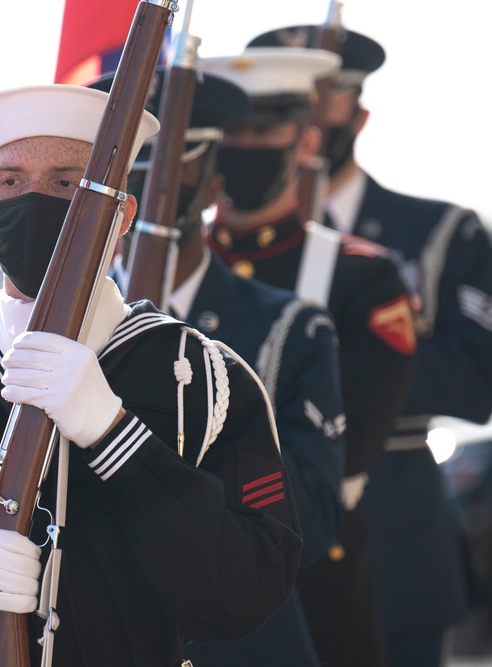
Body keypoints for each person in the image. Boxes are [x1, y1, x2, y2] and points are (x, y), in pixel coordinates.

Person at [0, 84, 303, 667]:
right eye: (11, 182)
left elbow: (248, 591)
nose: (32, 201)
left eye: (67, 184)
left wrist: (116, 437)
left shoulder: (206, 383)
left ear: (122, 214)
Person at [248, 24, 492, 666]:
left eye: (321, 101)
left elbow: (477, 379)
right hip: (263, 532)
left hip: (396, 537)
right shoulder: (225, 251)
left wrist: (336, 360)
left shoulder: (440, 232)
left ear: (357, 113)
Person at [92, 66, 346, 666]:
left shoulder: (291, 330)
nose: (148, 191)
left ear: (210, 187)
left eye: (169, 168)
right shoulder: (58, 329)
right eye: (134, 172)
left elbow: (310, 512)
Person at [202, 47, 418, 667]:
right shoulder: (155, 272)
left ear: (305, 140)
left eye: (266, 130)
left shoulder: (359, 278)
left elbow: (342, 460)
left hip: (311, 577)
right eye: (231, 132)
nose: (246, 145)